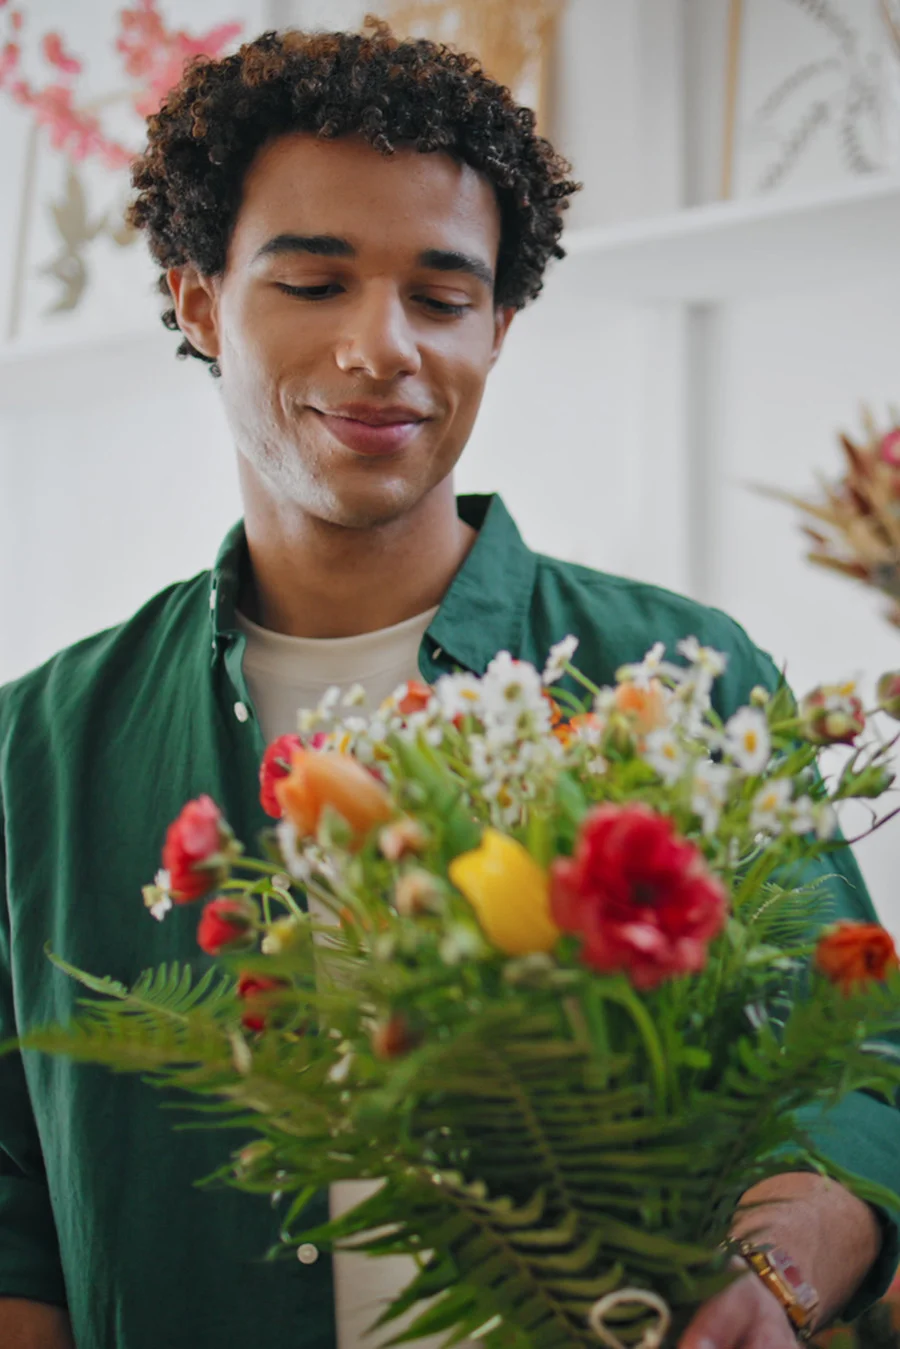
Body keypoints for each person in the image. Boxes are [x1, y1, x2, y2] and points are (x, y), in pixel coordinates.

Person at [0, 21, 896, 1349]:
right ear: (197, 300)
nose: (384, 348)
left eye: (441, 294)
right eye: (312, 284)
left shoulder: (674, 676)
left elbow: (859, 1067)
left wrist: (776, 1270)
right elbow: (19, 1208)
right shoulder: (42, 748)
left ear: (501, 322)